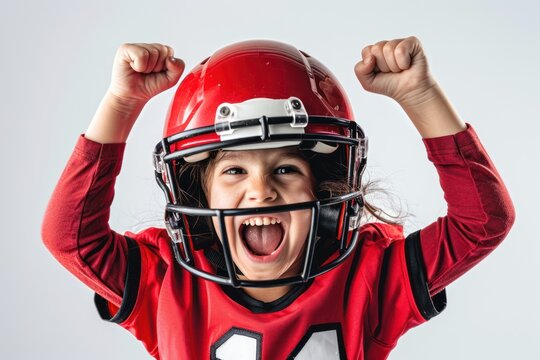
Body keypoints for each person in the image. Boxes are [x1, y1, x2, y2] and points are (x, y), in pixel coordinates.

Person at [42, 37, 515, 359]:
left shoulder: (370, 276)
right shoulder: (167, 281)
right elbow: (70, 238)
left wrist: (421, 95)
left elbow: (483, 222)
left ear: (324, 187)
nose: (260, 189)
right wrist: (120, 105)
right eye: (233, 170)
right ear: (199, 192)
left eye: (286, 168)